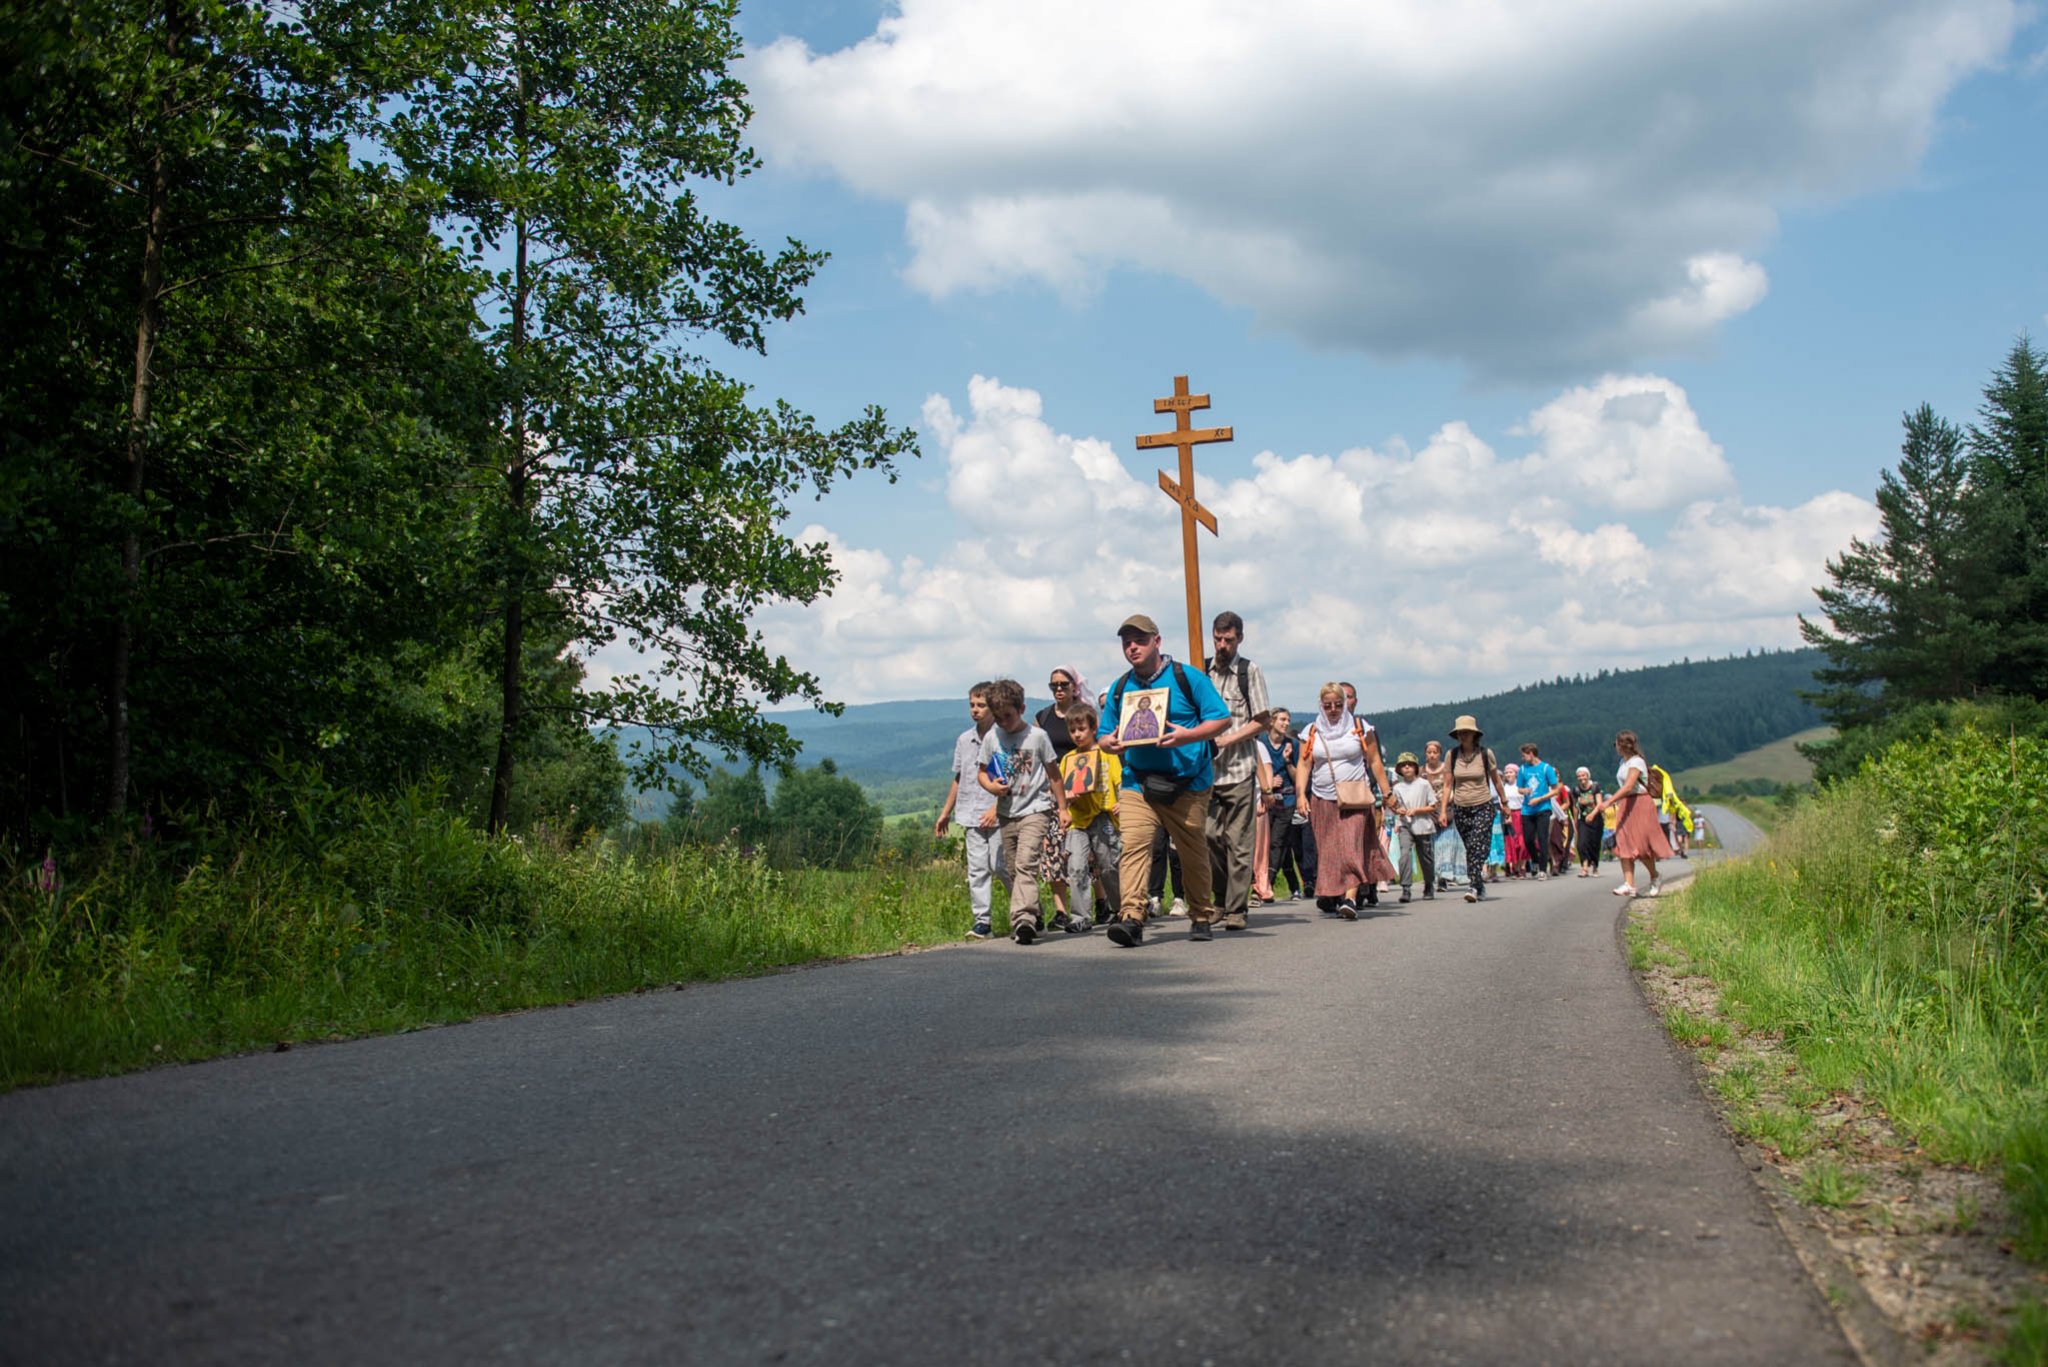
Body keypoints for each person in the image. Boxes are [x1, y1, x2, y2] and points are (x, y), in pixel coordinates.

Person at [1096, 614, 1232, 946]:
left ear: (1157, 642)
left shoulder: (1189, 678)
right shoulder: (1120, 688)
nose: (1132, 647)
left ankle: (1200, 915)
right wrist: (1108, 743)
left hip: (1188, 783)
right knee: (1135, 846)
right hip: (1138, 782)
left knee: (1191, 851)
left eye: (1139, 640)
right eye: (1126, 642)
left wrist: (1189, 736)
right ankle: (1132, 918)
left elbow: (1222, 719)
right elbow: (1102, 734)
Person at [976, 679, 1069, 942]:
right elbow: (982, 773)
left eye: (1008, 716)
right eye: (998, 717)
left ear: (1021, 709)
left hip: (1036, 809)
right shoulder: (992, 737)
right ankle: (1036, 914)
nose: (1003, 723)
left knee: (1026, 864)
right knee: (1014, 869)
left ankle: (1023, 920)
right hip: (1007, 812)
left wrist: (1062, 808)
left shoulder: (1037, 737)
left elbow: (1054, 775)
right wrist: (992, 787)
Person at [1293, 683, 1396, 920]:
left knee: (1351, 846)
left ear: (1346, 704)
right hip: (1322, 798)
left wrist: (1387, 792)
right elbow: (1304, 763)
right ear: (1321, 705)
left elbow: (1375, 761)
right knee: (1329, 851)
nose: (1333, 710)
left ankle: (1350, 898)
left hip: (1356, 797)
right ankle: (1335, 895)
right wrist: (1300, 795)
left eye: (1338, 705)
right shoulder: (1311, 731)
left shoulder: (1360, 728)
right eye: (1327, 705)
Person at [1203, 611, 1273, 932]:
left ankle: (1235, 908)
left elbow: (1262, 719)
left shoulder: (1248, 671)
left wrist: (1229, 738)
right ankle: (1219, 899)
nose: (1222, 645)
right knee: (1209, 836)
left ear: (1239, 639)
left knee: (1239, 841)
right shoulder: (1203, 671)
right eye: (1218, 639)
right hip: (1207, 771)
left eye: (1228, 640)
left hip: (1240, 768)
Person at [934, 681, 1005, 939]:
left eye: (981, 705)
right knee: (977, 868)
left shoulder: (1001, 737)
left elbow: (1010, 777)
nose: (975, 710)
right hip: (970, 812)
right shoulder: (965, 740)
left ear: (992, 707)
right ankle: (982, 922)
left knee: (1001, 866)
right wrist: (946, 813)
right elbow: (960, 777)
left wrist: (997, 807)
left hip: (997, 813)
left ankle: (1026, 911)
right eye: (972, 705)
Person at [1056, 702, 1120, 928]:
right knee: (1076, 866)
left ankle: (1123, 909)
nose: (1077, 735)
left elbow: (1118, 780)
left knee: (1109, 866)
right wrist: (1065, 798)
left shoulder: (1106, 753)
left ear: (1093, 729)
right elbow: (1060, 789)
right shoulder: (1068, 759)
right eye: (1072, 730)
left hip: (1102, 815)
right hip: (1077, 819)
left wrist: (1121, 802)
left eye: (1081, 729)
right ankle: (1081, 917)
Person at [1590, 729, 1673, 898]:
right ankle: (1629, 884)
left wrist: (1608, 802)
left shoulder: (1637, 762)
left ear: (1622, 745)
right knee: (1623, 841)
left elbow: (1628, 786)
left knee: (1641, 845)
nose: (1615, 748)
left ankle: (1655, 876)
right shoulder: (1623, 762)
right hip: (1626, 803)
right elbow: (1625, 789)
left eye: (1616, 744)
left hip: (1640, 803)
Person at [1338, 680, 1395, 906]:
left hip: (1361, 793)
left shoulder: (1364, 727)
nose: (1344, 701)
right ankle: (1338, 891)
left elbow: (1375, 762)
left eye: (1348, 697)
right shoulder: (1323, 727)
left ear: (1355, 701)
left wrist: (1379, 791)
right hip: (1333, 794)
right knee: (1340, 845)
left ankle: (1366, 888)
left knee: (1363, 842)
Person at [1444, 714, 1511, 903]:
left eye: (1466, 732)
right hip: (1460, 807)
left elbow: (1496, 780)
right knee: (1470, 847)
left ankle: (1473, 885)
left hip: (1483, 804)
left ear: (1474, 735)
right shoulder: (1452, 755)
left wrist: (1505, 803)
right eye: (1459, 733)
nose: (1462, 736)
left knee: (1476, 845)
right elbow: (1447, 785)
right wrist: (1443, 810)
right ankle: (1479, 884)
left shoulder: (1485, 754)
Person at [1256, 708, 1305, 900]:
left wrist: (1286, 762)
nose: (1286, 723)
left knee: (1277, 842)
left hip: (1287, 799)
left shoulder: (1292, 745)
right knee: (1266, 844)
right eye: (1282, 720)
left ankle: (1266, 884)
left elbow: (1298, 777)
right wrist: (1268, 783)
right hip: (1266, 798)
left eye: (1288, 720)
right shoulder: (1260, 744)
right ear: (1271, 722)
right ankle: (1269, 882)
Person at [1387, 751, 1439, 902]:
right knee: (1404, 854)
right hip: (1405, 825)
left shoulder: (1424, 784)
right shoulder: (1397, 787)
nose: (1407, 767)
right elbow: (1394, 806)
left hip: (1423, 824)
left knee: (1426, 857)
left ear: (1416, 767)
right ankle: (1406, 887)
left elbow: (1432, 805)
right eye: (1403, 765)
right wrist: (1398, 811)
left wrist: (1417, 810)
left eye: (1410, 764)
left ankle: (1429, 883)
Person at [1422, 739, 1464, 888]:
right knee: (1432, 846)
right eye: (1429, 752)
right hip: (1429, 811)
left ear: (1439, 753)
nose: (1432, 755)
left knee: (1445, 844)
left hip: (1447, 808)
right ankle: (1434, 875)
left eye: (1435, 752)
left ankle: (1443, 877)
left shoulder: (1447, 768)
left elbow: (1452, 786)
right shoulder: (1422, 772)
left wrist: (1447, 802)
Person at [1516, 743, 1562, 879]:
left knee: (1543, 838)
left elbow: (1555, 789)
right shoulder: (1523, 769)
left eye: (1524, 755)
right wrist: (1523, 790)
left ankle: (1542, 869)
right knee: (1528, 839)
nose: (1523, 758)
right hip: (1527, 809)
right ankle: (1535, 859)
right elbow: (1519, 788)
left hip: (1543, 808)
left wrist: (1540, 798)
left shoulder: (1546, 768)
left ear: (1531, 754)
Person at [1571, 766, 1604, 877]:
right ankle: (1584, 867)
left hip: (1596, 819)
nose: (1581, 778)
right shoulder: (1576, 790)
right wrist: (1575, 822)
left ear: (1588, 775)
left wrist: (1592, 814)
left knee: (1594, 844)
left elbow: (1599, 804)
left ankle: (1595, 866)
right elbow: (1575, 806)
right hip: (1583, 820)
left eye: (1583, 775)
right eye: (1579, 776)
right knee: (1582, 843)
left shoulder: (1595, 787)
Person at [1500, 763, 1528, 876]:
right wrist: (1507, 815)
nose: (1508, 774)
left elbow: (1527, 800)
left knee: (1522, 842)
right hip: (1509, 815)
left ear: (1516, 773)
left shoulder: (1520, 786)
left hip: (1521, 814)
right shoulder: (1503, 788)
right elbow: (1502, 802)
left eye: (1510, 772)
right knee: (1512, 843)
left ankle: (1523, 866)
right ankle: (1515, 866)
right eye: (1506, 772)